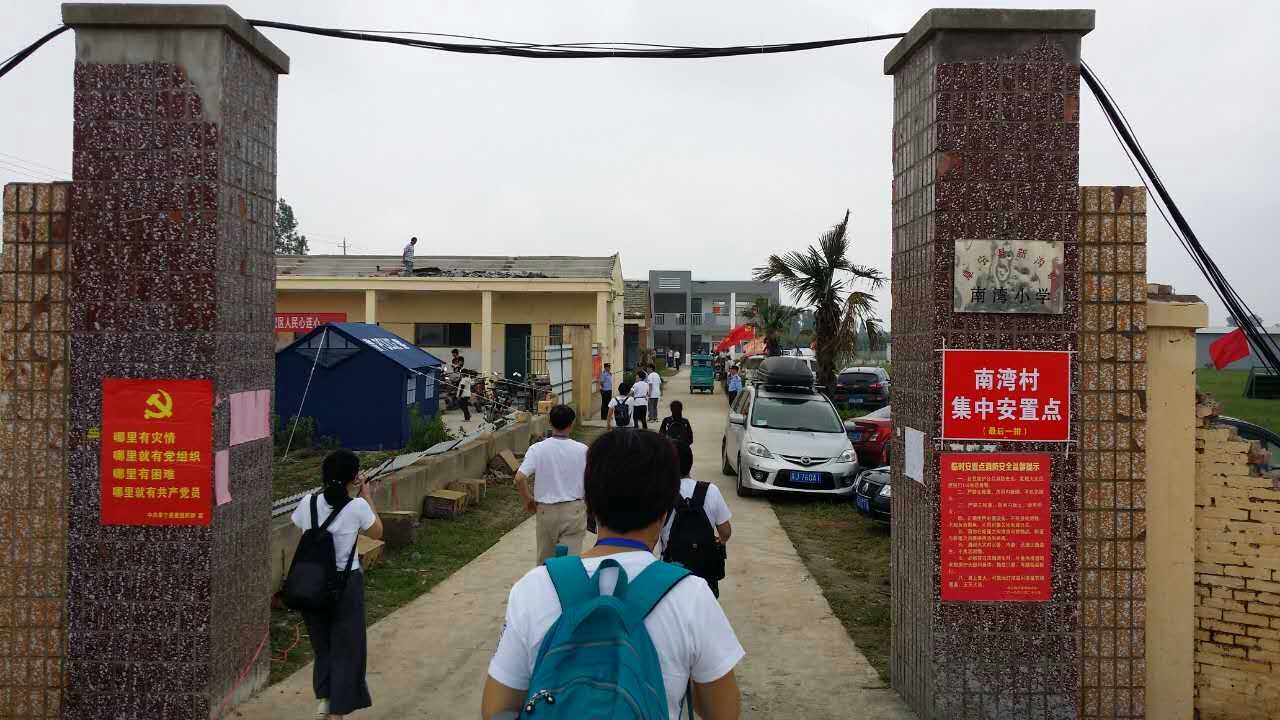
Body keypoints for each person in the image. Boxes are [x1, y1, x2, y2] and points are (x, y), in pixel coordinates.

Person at [481, 430, 745, 720]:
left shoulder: (534, 587)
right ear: (666, 510)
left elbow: (496, 710)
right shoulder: (691, 595)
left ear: (590, 503)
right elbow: (723, 713)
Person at [290, 450, 384, 720]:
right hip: (346, 585)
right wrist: (366, 494)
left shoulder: (307, 503)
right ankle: (338, 711)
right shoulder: (357, 507)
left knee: (322, 646)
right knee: (347, 648)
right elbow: (377, 532)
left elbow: (300, 529)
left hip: (311, 584)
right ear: (354, 478)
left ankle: (325, 698)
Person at [514, 405, 589, 566]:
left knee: (545, 562)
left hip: (546, 511)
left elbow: (519, 478)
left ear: (549, 422)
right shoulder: (583, 450)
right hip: (574, 511)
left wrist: (527, 500)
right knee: (569, 564)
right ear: (572, 423)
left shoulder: (537, 449)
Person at [661, 441, 732, 598]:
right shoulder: (711, 490)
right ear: (691, 463)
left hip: (672, 572)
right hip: (705, 573)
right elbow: (726, 532)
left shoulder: (662, 493)